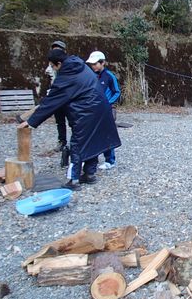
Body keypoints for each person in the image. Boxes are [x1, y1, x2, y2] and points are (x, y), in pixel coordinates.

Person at [18, 49, 121, 191]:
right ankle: (89, 174)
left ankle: (73, 179)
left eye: (53, 66)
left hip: (86, 112)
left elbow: (51, 101)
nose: (52, 69)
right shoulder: (82, 66)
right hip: (102, 109)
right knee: (94, 140)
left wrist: (31, 122)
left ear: (59, 64)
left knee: (77, 144)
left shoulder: (66, 75)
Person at [86, 51, 121, 170]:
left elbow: (117, 92)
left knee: (107, 134)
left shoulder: (109, 76)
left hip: (107, 110)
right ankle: (92, 159)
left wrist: (108, 103)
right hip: (94, 110)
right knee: (93, 134)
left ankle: (110, 160)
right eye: (92, 64)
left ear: (102, 63)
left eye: (96, 64)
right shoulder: (91, 76)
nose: (94, 66)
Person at [46, 40, 70, 152]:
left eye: (58, 49)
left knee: (73, 120)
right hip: (57, 97)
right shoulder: (51, 65)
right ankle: (62, 141)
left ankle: (76, 143)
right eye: (54, 49)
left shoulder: (68, 65)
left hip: (68, 97)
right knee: (59, 121)